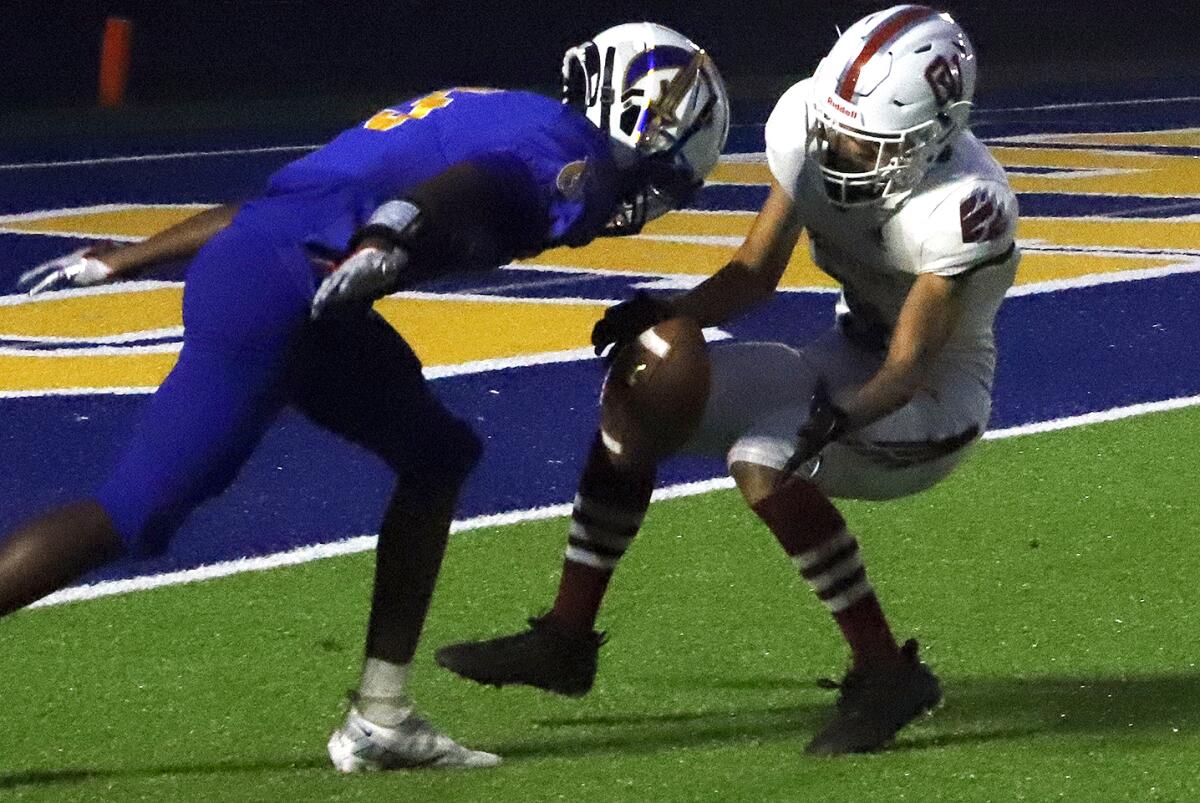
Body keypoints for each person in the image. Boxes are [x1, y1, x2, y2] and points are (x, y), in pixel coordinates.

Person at [0, 23, 730, 771]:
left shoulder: (505, 114)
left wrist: (125, 256)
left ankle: (381, 715)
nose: (649, 195)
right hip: (287, 289)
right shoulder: (567, 155)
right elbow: (476, 188)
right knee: (134, 510)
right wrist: (392, 235)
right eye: (661, 173)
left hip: (292, 279)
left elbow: (277, 207)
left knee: (439, 454)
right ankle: (379, 714)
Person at [436, 5, 1019, 756]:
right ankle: (565, 639)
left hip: (934, 398)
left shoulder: (963, 204)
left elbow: (905, 370)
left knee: (766, 456)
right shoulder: (812, 124)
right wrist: (670, 312)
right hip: (843, 351)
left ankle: (885, 671)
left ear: (933, 139)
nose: (839, 147)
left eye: (865, 140)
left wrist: (835, 419)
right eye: (838, 126)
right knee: (640, 390)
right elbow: (753, 272)